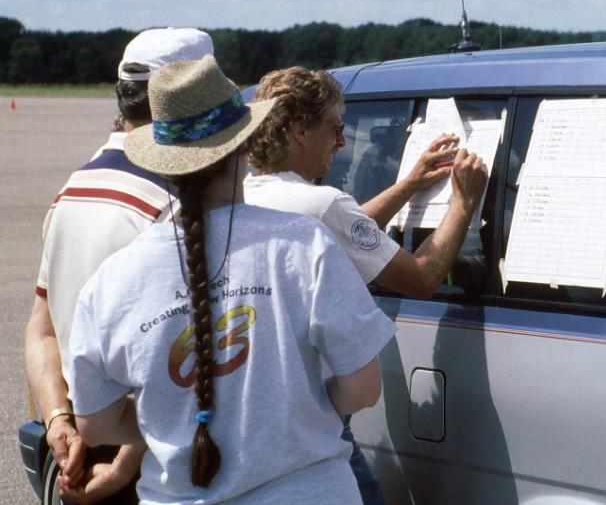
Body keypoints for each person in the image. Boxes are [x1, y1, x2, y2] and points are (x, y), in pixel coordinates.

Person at [67, 54, 395, 504]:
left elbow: (97, 424)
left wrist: (168, 416)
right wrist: (296, 408)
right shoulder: (305, 246)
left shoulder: (113, 281)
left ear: (162, 164)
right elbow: (363, 388)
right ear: (243, 144)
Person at [243, 66, 488, 504]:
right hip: (320, 420)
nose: (341, 142)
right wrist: (464, 203)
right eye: (335, 128)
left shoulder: (246, 197)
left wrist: (409, 185)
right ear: (301, 131)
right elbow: (422, 277)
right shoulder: (322, 204)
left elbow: (342, 233)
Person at [24, 27, 215, 504]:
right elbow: (178, 364)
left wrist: (58, 423)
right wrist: (121, 468)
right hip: (145, 460)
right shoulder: (178, 203)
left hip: (73, 448)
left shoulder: (74, 189)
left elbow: (42, 330)